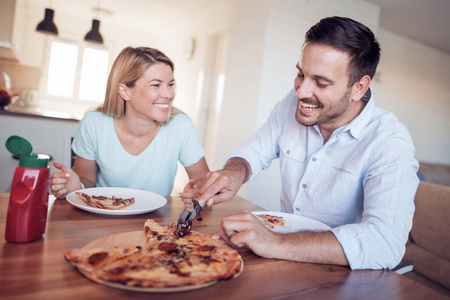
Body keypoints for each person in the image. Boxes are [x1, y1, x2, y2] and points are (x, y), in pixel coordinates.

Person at [180, 16, 419, 270]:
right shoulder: (290, 104)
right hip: (285, 260)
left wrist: (275, 242)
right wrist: (234, 172)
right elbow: (254, 152)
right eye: (300, 74)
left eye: (321, 82)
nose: (301, 91)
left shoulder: (390, 141)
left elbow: (384, 243)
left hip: (344, 275)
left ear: (359, 88)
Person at [51, 47, 209, 198]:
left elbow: (202, 180)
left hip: (156, 222)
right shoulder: (94, 123)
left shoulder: (181, 126)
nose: (168, 94)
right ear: (125, 91)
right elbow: (86, 179)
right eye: (156, 85)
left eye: (170, 85)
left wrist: (198, 191)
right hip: (102, 216)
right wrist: (77, 187)